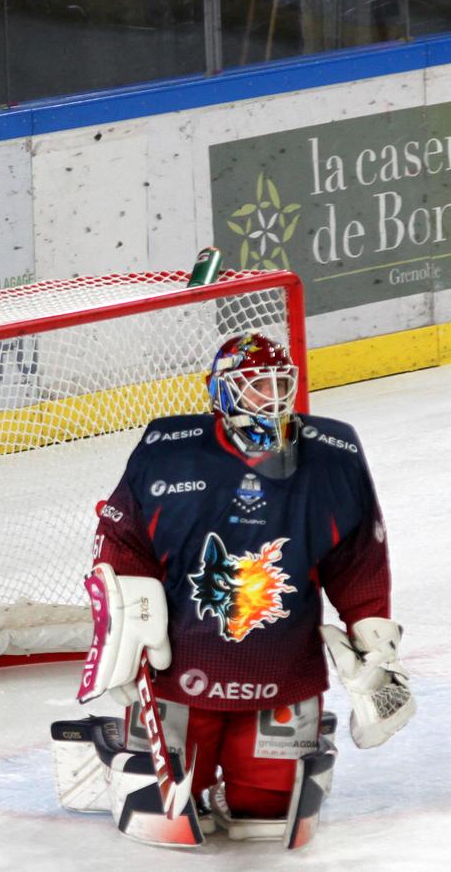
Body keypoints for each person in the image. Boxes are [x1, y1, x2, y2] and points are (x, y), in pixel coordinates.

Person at [73, 331, 414, 847]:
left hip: (281, 671)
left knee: (269, 812)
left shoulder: (333, 458)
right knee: (165, 812)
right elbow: (123, 539)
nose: (272, 397)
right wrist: (123, 627)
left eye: (280, 383)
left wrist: (374, 642)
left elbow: (358, 556)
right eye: (256, 385)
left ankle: (253, 774)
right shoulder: (166, 453)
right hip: (179, 669)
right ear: (220, 390)